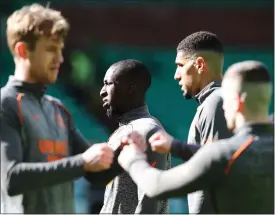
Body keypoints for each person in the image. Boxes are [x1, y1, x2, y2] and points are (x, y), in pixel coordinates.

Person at [1, 4, 116, 213]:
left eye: (60, 50)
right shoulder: (6, 104)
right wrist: (82, 162)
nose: (60, 59)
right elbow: (11, 178)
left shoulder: (58, 110)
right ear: (22, 50)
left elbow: (96, 173)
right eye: (51, 50)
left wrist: (125, 151)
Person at [118, 60, 274, 214]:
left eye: (224, 101)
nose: (223, 107)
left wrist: (133, 159)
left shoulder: (224, 154)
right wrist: (176, 146)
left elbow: (157, 186)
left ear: (236, 102)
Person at [99, 59, 171, 214]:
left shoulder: (147, 130)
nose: (102, 91)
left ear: (130, 88)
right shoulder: (123, 130)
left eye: (108, 84)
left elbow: (150, 199)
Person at [173, 31, 233, 213]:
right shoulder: (218, 101)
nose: (176, 75)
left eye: (180, 65)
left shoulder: (215, 103)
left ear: (199, 64)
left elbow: (212, 174)